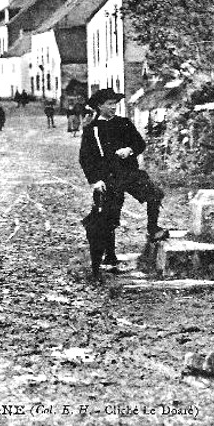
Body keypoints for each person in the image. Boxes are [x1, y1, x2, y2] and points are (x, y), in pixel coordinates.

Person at [79, 88, 169, 281]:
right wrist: (95, 181)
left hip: (129, 173)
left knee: (154, 194)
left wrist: (129, 150)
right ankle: (109, 257)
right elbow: (86, 158)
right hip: (107, 178)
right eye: (109, 104)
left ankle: (153, 228)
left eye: (114, 103)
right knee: (108, 217)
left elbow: (140, 144)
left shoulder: (124, 123)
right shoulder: (92, 129)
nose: (113, 107)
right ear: (99, 106)